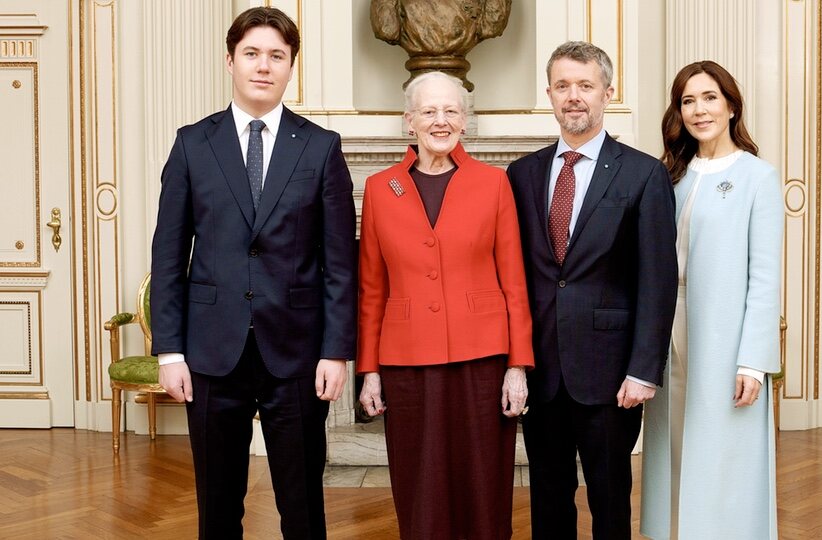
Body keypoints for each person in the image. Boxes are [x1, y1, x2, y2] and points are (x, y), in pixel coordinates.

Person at [150, 7, 357, 539]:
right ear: (230, 61)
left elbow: (339, 262)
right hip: (210, 353)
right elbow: (169, 255)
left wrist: (336, 351)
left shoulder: (321, 147)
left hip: (297, 352)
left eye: (277, 56)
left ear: (291, 68)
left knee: (303, 503)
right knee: (217, 506)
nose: (263, 66)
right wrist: (170, 351)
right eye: (252, 54)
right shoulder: (193, 144)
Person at [506, 41, 678, 539]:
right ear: (550, 95)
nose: (573, 96)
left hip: (610, 374)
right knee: (547, 500)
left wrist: (644, 370)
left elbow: (657, 281)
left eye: (585, 85)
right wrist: (514, 362)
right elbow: (514, 276)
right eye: (563, 86)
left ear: (608, 92)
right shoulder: (522, 174)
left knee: (609, 502)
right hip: (542, 370)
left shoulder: (643, 173)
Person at [356, 71, 534, 539]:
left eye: (451, 110)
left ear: (465, 121)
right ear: (408, 121)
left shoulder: (494, 183)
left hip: (483, 358)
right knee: (420, 480)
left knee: (484, 480)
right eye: (430, 111)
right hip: (406, 359)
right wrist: (369, 369)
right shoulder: (379, 188)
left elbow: (514, 280)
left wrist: (518, 365)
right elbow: (372, 287)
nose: (441, 121)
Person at [640, 60, 783, 540]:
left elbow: (764, 276)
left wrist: (753, 362)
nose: (698, 110)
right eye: (687, 101)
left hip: (724, 340)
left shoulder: (757, 177)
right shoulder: (667, 176)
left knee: (725, 453)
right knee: (672, 447)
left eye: (709, 98)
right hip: (668, 334)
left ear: (730, 105)